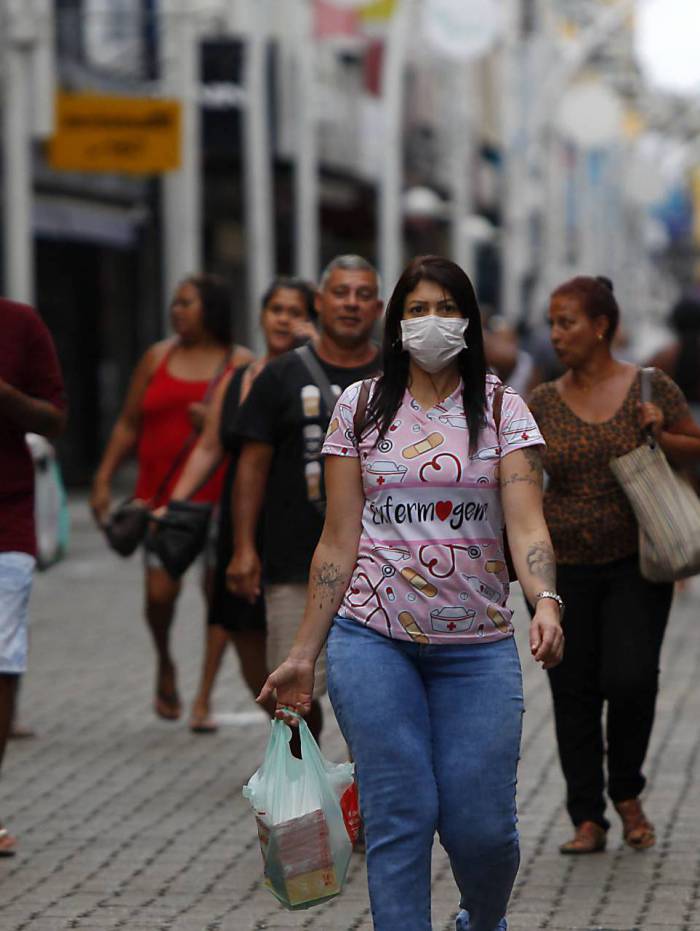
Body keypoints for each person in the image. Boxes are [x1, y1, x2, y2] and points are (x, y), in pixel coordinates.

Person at [258, 255, 564, 931]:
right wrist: (305, 651)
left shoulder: (504, 408)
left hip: (477, 648)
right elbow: (338, 539)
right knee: (402, 815)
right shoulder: (360, 407)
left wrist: (545, 598)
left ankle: (481, 918)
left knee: (481, 828)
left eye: (447, 309)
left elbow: (526, 521)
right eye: (417, 309)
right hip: (372, 641)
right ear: (395, 324)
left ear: (471, 323)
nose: (432, 323)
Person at [528, 276, 700, 855]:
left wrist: (662, 436)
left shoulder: (651, 387)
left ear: (602, 326)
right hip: (562, 570)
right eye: (552, 323)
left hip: (635, 563)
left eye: (567, 322)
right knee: (572, 692)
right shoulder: (543, 400)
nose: (556, 335)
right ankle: (588, 816)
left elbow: (696, 447)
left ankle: (626, 789)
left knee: (628, 680)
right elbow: (520, 476)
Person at [227, 255, 383, 743]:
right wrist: (243, 548)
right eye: (340, 293)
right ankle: (304, 797)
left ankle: (371, 797)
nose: (351, 304)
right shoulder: (280, 377)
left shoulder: (400, 377)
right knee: (291, 697)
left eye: (362, 294)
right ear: (319, 303)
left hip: (383, 564)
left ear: (378, 307)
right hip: (294, 559)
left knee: (380, 697)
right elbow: (251, 466)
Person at [90, 275, 252, 721]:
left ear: (212, 309)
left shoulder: (241, 363)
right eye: (175, 304)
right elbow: (127, 422)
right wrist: (103, 478)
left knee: (215, 596)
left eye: (187, 303)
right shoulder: (156, 357)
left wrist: (217, 424)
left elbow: (254, 434)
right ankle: (165, 660)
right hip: (161, 503)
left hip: (220, 499)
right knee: (159, 595)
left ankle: (203, 696)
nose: (176, 311)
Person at [167, 277, 317, 732]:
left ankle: (305, 744)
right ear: (261, 315)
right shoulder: (237, 377)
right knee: (247, 645)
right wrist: (174, 504)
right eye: (276, 309)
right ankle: (296, 736)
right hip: (242, 526)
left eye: (295, 311)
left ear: (311, 319)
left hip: (296, 529)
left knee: (292, 650)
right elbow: (210, 447)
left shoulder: (316, 376)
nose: (283, 319)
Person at [0, 297, 67, 856]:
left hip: (6, 519)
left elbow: (54, 417)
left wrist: (5, 396)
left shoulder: (19, 324)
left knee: (1, 659)